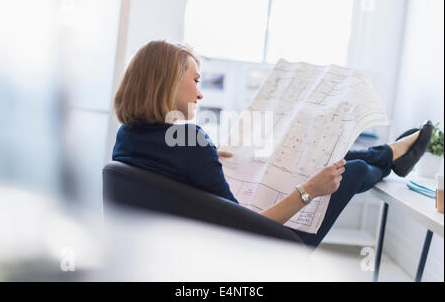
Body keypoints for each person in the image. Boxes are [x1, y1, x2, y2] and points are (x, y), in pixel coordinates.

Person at [112, 40, 433, 248]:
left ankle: (392, 153)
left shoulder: (128, 135)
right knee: (353, 169)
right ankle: (392, 155)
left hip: (183, 245)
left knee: (337, 162)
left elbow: (175, 167)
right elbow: (244, 229)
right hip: (253, 249)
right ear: (166, 80)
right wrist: (309, 191)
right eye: (195, 80)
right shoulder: (191, 143)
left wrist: (210, 153)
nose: (200, 92)